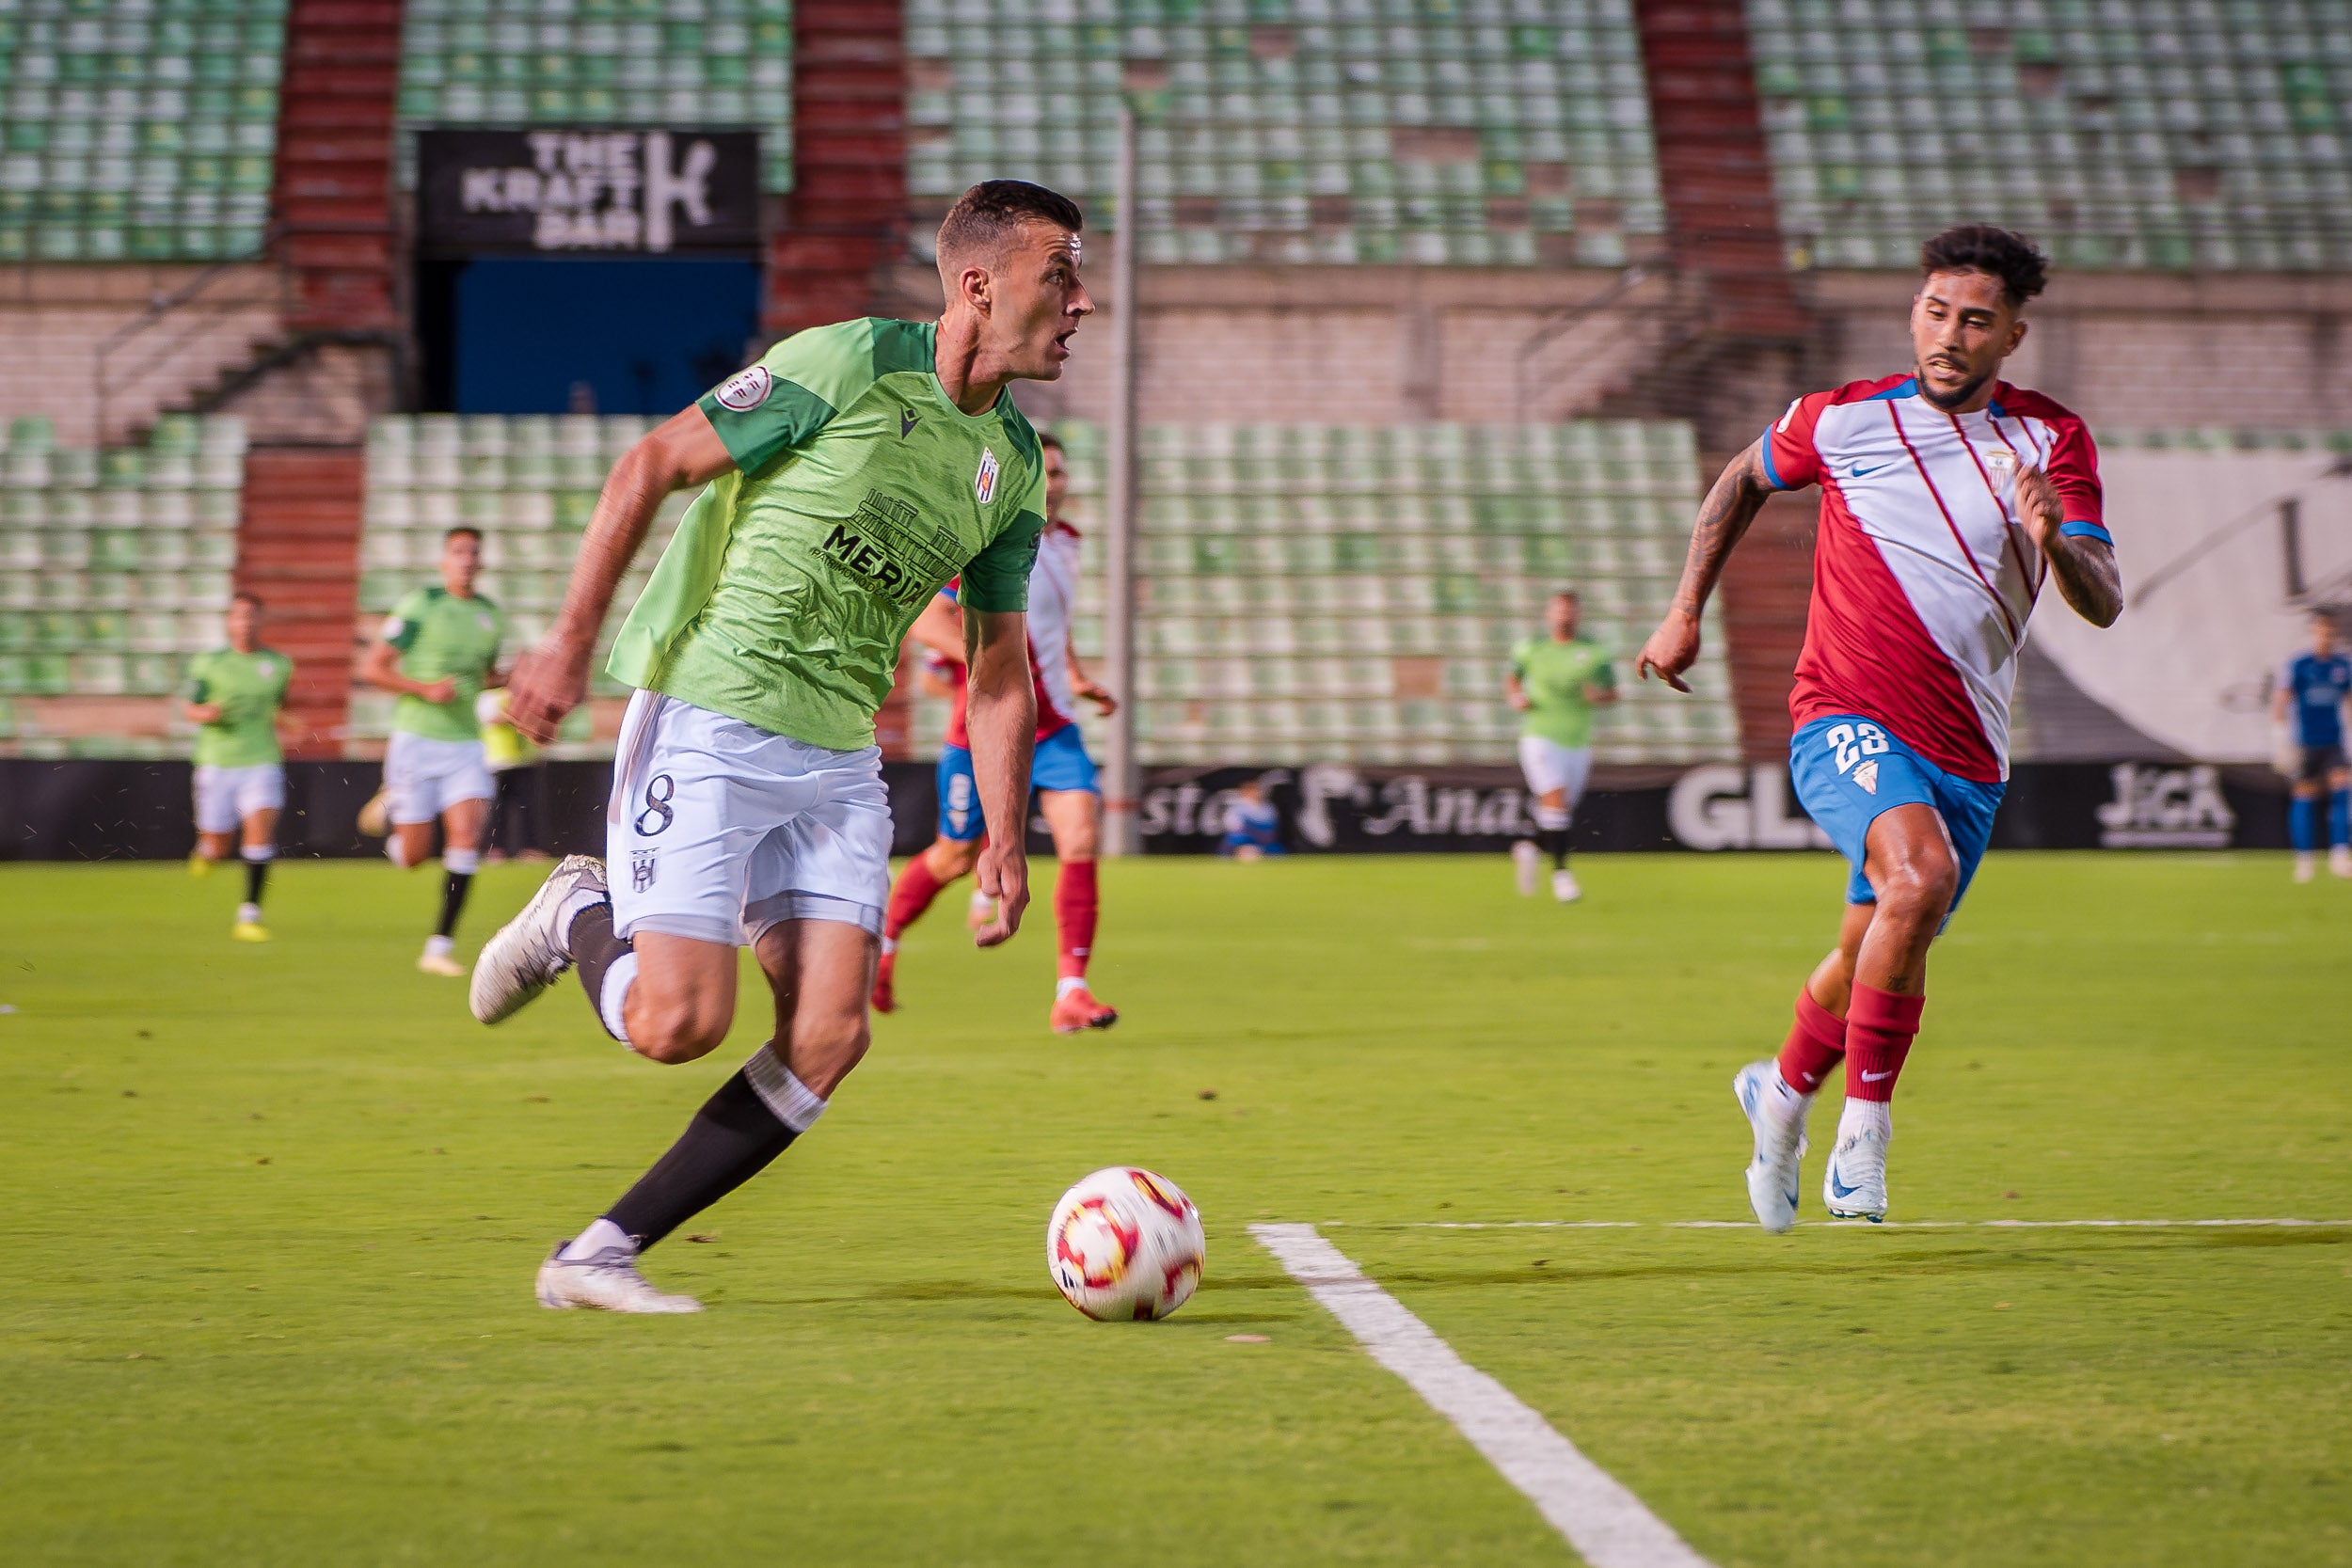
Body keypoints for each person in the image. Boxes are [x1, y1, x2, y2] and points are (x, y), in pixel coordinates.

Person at [466, 180, 1089, 1314]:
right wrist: (564, 645)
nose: (1080, 300)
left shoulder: (1015, 462)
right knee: (678, 1025)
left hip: (837, 756)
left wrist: (1005, 834)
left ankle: (600, 1250)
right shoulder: (848, 361)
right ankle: (575, 911)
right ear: (978, 282)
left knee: (829, 1036)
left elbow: (998, 664)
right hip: (712, 714)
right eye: (1061, 274)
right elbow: (650, 462)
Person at [1636, 224, 2122, 1230]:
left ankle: (1778, 1090)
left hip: (1967, 752)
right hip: (1842, 711)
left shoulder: (2050, 442)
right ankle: (1863, 1134)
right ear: (1914, 311)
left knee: (1875, 935)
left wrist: (2052, 543)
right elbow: (1737, 481)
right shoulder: (1845, 420)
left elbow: (2104, 596)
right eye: (1936, 311)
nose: (1949, 334)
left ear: (2012, 336)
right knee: (1918, 879)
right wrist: (1685, 609)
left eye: (1975, 320)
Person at [874, 431, 1120, 1033]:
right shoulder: (981, 541)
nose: (1054, 483)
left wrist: (1077, 676)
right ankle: (881, 945)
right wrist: (995, 663)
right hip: (982, 731)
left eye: (1060, 473)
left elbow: (1053, 626)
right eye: (1044, 471)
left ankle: (1072, 991)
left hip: (1055, 727)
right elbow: (925, 622)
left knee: (1081, 838)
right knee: (954, 856)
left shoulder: (1066, 544)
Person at [358, 527, 506, 977]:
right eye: (457, 551)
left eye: (473, 553)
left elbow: (483, 678)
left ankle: (438, 947)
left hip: (465, 743)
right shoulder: (420, 605)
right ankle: (392, 819)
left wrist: (514, 676)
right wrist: (423, 688)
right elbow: (373, 669)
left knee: (466, 838)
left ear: (481, 563)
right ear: (444, 560)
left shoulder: (489, 616)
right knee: (414, 858)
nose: (465, 559)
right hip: (417, 740)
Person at [183, 591, 291, 942]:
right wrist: (205, 714)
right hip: (217, 762)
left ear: (261, 621)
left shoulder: (278, 665)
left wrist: (289, 722)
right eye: (239, 616)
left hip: (261, 759)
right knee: (218, 844)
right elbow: (190, 707)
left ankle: (249, 914)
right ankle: (206, 851)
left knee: (260, 833)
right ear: (229, 622)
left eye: (251, 616)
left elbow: (277, 707)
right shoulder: (209, 663)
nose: (245, 623)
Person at [1505, 588, 1616, 902]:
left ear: (1577, 614)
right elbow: (1512, 678)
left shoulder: (1594, 653)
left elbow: (1612, 690)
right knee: (1554, 801)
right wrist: (1516, 696)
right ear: (1549, 614)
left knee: (1559, 812)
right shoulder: (1531, 648)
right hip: (1539, 734)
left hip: (1577, 739)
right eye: (1559, 609)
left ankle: (1530, 848)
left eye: (1569, 610)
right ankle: (1562, 876)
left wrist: (1600, 696)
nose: (1564, 615)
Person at [2272, 611, 2351, 882]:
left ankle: (2340, 854)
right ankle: (2304, 859)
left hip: (2333, 740)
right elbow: (2282, 699)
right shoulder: (2299, 664)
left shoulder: (2343, 665)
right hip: (2305, 741)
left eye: (2329, 632)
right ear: (2313, 633)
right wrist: (2279, 735)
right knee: (2305, 795)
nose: (2325, 637)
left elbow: (2349, 701)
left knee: (2342, 789)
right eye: (2320, 631)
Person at [479, 686, 550, 864]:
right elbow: (493, 719)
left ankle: (530, 849)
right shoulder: (489, 697)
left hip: (523, 760)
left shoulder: (522, 695)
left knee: (528, 809)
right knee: (497, 811)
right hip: (498, 762)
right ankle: (495, 849)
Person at [1220, 776, 1283, 858]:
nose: (1258, 792)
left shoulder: (1268, 807)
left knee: (1276, 851)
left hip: (1264, 841)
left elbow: (1272, 827)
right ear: (1246, 792)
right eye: (1254, 790)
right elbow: (1234, 828)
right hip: (1243, 840)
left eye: (1258, 789)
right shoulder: (1236, 807)